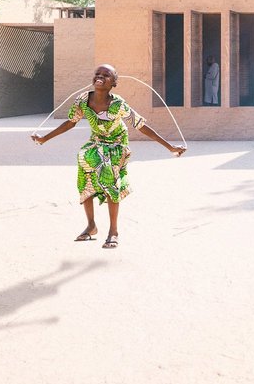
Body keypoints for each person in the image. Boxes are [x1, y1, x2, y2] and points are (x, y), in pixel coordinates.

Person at [32, 64, 186, 248]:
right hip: (96, 141)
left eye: (106, 75)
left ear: (113, 83)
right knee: (84, 167)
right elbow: (70, 123)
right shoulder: (82, 100)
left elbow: (140, 125)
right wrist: (44, 139)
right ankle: (91, 226)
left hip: (117, 144)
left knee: (110, 181)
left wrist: (169, 147)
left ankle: (113, 231)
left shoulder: (117, 104)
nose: (100, 76)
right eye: (97, 73)